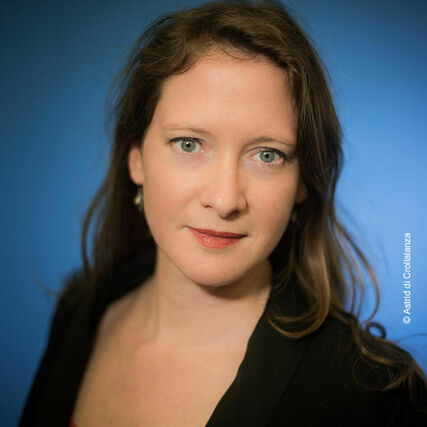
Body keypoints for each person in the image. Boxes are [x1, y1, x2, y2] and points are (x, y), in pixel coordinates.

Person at [19, 0, 427, 426]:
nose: (225, 199)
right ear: (136, 158)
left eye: (267, 154)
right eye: (189, 144)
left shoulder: (373, 396)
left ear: (303, 181)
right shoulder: (80, 310)